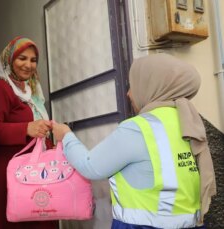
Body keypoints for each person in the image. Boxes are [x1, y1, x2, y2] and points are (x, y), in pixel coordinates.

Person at [52, 53, 216, 229]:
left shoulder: (139, 128)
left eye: (133, 85)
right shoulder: (187, 122)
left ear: (152, 85)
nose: (129, 93)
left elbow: (90, 166)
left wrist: (66, 136)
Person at [0, 36, 58, 229]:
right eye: (22, 58)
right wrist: (26, 128)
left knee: (41, 215)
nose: (28, 65)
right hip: (11, 174)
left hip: (35, 172)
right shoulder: (0, 87)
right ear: (9, 60)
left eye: (33, 60)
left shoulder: (32, 91)